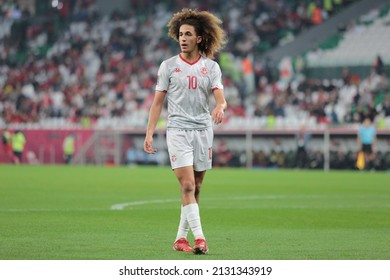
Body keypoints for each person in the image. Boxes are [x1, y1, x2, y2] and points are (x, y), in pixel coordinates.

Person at [144, 8, 227, 255]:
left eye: (188, 34)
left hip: (203, 130)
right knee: (188, 186)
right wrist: (149, 133)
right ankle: (201, 239)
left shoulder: (211, 68)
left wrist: (221, 107)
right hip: (178, 130)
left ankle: (180, 239)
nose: (182, 38)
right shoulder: (168, 66)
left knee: (196, 188)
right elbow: (157, 103)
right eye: (180, 34)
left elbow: (220, 98)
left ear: (199, 38)